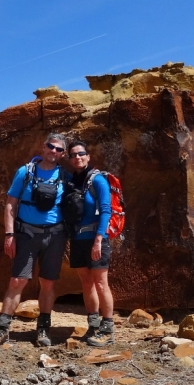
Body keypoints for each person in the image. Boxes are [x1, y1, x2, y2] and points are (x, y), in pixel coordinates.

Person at [0, 133, 68, 350]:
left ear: (63, 154)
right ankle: (1, 329)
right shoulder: (25, 172)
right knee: (17, 281)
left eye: (59, 149)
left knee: (48, 283)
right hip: (26, 234)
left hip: (55, 235)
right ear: (43, 146)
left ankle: (43, 329)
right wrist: (9, 235)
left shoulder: (65, 176)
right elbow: (11, 204)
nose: (54, 151)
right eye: (51, 146)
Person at [65, 140, 115, 347]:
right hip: (78, 239)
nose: (78, 157)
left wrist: (98, 240)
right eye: (73, 154)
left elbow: (106, 210)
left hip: (96, 239)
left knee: (101, 283)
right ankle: (93, 324)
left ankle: (108, 328)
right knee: (86, 283)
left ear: (88, 156)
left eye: (81, 153)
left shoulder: (98, 180)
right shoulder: (71, 181)